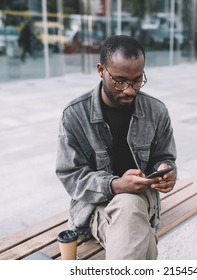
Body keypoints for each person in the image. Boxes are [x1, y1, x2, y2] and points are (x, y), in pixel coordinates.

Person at [55, 35, 177, 260]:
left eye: (137, 80)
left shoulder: (156, 111)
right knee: (135, 224)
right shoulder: (75, 115)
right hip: (94, 207)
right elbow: (70, 176)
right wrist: (115, 185)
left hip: (143, 200)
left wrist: (166, 169)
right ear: (101, 70)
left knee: (130, 204)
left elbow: (165, 157)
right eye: (120, 81)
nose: (130, 90)